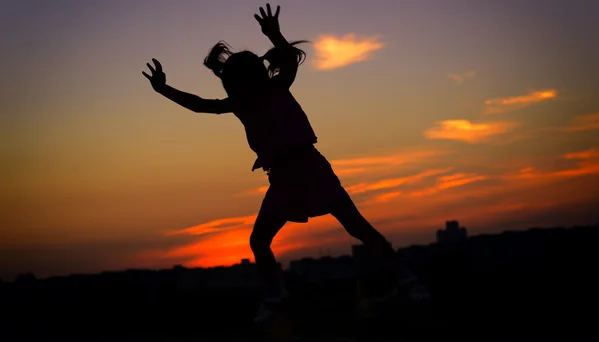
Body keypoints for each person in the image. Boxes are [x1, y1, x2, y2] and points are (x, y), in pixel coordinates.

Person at [143, 3, 430, 324]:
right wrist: (163, 89)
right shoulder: (241, 102)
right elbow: (199, 105)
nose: (230, 86)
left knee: (357, 228)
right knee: (263, 241)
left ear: (248, 79)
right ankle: (277, 296)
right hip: (282, 178)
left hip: (310, 169)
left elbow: (287, 60)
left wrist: (275, 34)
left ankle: (408, 281)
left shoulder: (275, 88)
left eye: (234, 81)